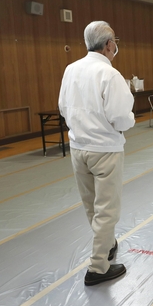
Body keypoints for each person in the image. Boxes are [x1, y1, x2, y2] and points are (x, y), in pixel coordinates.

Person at [58, 21, 136, 286]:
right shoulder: (109, 74)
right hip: (105, 150)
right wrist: (130, 120)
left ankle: (107, 244)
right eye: (115, 41)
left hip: (78, 148)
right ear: (109, 44)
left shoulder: (71, 69)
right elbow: (120, 118)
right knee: (107, 211)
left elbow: (62, 107)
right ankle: (98, 267)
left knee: (92, 206)